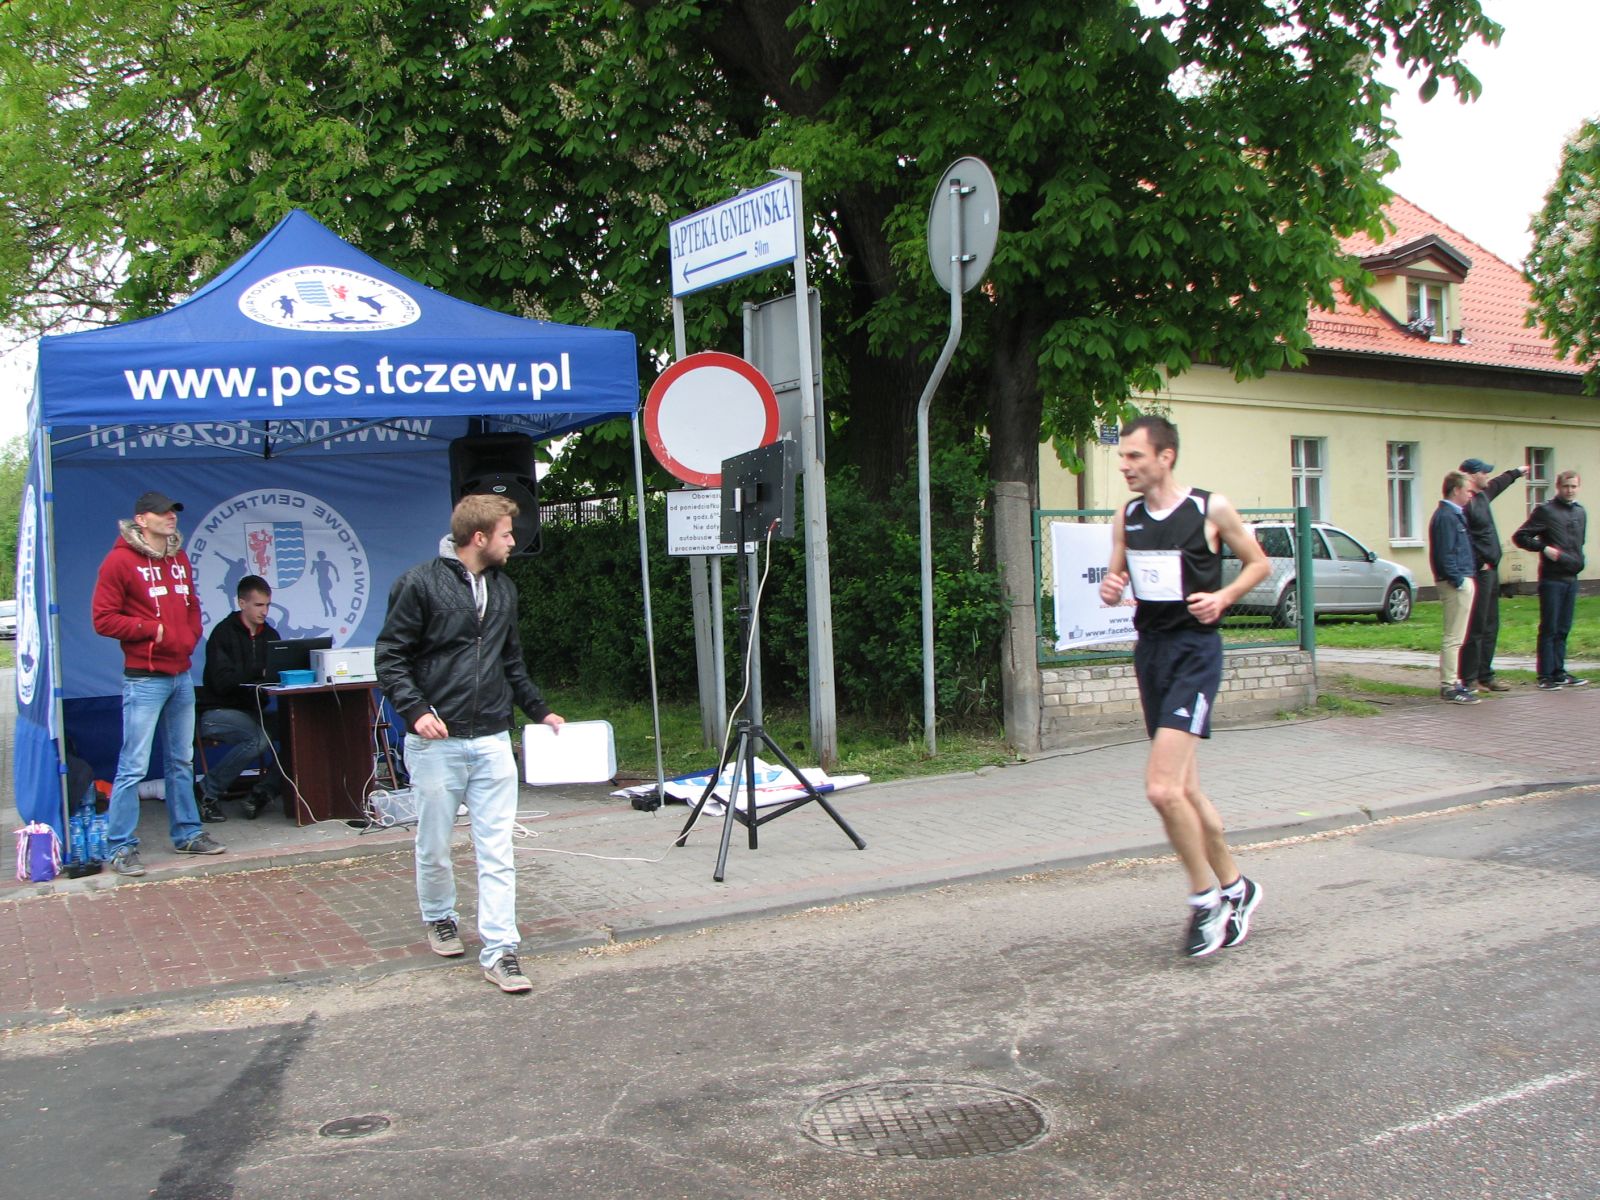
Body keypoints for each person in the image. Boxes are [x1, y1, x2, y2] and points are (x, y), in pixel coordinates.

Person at [1097, 416, 1270, 958]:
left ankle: (1205, 901)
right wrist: (1111, 587)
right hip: (1152, 654)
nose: (1125, 466)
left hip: (1195, 654)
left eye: (1134, 456)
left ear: (1165, 457)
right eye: (1122, 457)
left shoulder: (1210, 509)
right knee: (1186, 791)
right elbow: (1115, 580)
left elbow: (1258, 564)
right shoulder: (1127, 516)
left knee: (1162, 790)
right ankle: (1237, 888)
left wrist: (1224, 597)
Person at [376, 494, 564, 993]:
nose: (513, 541)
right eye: (506, 533)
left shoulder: (504, 589)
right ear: (479, 538)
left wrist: (539, 709)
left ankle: (501, 951)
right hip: (437, 742)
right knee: (434, 845)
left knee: (497, 850)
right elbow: (391, 657)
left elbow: (510, 659)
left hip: (493, 737)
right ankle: (439, 916)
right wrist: (417, 712)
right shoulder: (418, 584)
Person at [91, 490, 226, 877]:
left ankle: (188, 834)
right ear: (141, 520)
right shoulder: (119, 561)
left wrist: (189, 635)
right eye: (163, 512)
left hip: (181, 674)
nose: (171, 517)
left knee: (182, 760)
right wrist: (154, 630)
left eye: (173, 512)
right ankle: (120, 846)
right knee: (133, 764)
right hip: (144, 678)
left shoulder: (178, 557)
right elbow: (102, 619)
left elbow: (192, 605)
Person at [196, 574, 285, 822]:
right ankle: (206, 791)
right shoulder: (222, 633)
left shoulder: (271, 635)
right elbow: (221, 682)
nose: (264, 611)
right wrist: (258, 673)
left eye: (267, 605)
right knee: (257, 738)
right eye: (259, 605)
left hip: (254, 712)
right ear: (241, 603)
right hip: (217, 712)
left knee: (300, 731)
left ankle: (262, 793)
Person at [1513, 470, 1588, 690]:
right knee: (1550, 627)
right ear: (1558, 487)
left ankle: (1559, 671)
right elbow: (1520, 536)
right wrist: (1544, 548)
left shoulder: (1580, 512)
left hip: (1571, 577)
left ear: (1578, 487)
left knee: (1564, 627)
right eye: (1566, 486)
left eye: (1573, 486)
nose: (1570, 490)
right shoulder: (1546, 511)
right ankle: (1545, 675)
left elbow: (1580, 542)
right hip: (1552, 578)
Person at [1457, 457, 1526, 693]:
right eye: (1483, 472)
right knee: (1476, 625)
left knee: (1491, 624)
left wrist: (1516, 472)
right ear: (1471, 476)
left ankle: (1485, 675)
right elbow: (1464, 539)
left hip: (1492, 570)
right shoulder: (1465, 503)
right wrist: (1480, 563)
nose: (1487, 476)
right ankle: (1468, 677)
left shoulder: (1483, 495)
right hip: (1480, 571)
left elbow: (1498, 483)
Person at [1429, 472, 1480, 705]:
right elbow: (1445, 553)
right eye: (1467, 490)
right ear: (1456, 490)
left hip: (1460, 578)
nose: (1470, 495)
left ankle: (1453, 680)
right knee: (1453, 636)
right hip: (1455, 582)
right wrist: (1457, 580)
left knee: (1457, 636)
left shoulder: (1453, 514)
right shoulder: (1447, 516)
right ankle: (1449, 685)